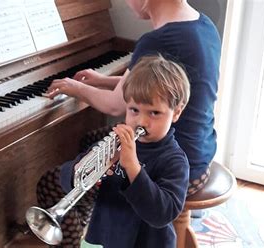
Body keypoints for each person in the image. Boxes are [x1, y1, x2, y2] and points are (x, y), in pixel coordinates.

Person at [47, 0, 221, 195]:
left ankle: (108, 214)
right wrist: (104, 81)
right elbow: (156, 87)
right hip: (199, 154)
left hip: (171, 172)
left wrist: (74, 87)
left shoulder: (158, 40)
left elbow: (115, 106)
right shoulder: (204, 25)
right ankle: (101, 213)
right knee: (90, 140)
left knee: (51, 184)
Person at [38, 55, 191, 248]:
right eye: (134, 110)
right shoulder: (115, 143)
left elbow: (162, 214)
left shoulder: (174, 160)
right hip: (104, 237)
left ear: (176, 112)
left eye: (154, 113)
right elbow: (70, 178)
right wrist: (81, 170)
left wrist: (132, 167)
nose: (141, 121)